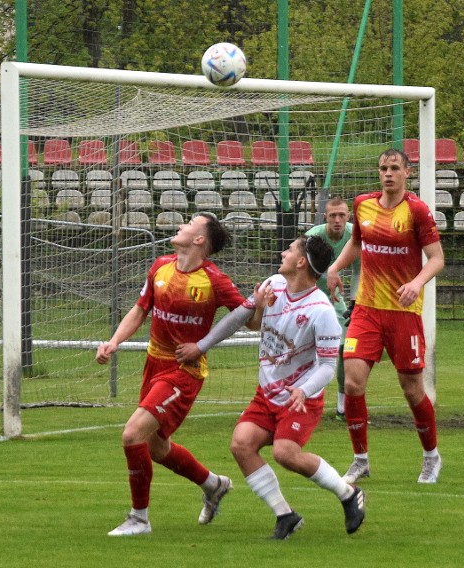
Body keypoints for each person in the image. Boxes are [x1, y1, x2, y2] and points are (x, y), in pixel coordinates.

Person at [176, 235, 366, 540]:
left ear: (301, 262)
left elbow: (329, 367)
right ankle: (285, 515)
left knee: (285, 453)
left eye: (289, 250)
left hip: (300, 399)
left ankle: (348, 493)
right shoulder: (274, 284)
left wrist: (303, 390)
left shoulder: (322, 311)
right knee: (241, 444)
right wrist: (201, 346)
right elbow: (240, 317)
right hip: (267, 393)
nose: (283, 252)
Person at [96, 213, 250, 536]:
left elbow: (248, 319)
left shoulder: (214, 280)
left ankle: (139, 519)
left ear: (199, 240)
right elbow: (140, 310)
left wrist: (206, 342)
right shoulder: (160, 266)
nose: (182, 223)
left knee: (131, 434)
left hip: (184, 372)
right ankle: (214, 485)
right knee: (155, 448)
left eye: (191, 221)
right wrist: (113, 342)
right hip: (154, 364)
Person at [326, 148, 445, 485]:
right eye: (383, 168)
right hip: (366, 308)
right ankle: (360, 459)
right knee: (352, 381)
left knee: (411, 389)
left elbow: (437, 258)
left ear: (408, 172)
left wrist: (416, 282)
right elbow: (357, 244)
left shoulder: (417, 211)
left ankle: (431, 456)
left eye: (395, 168)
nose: (388, 173)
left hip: (403, 312)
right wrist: (335, 268)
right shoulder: (363, 204)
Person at [305, 196, 361, 421]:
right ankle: (299, 398)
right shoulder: (312, 237)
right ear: (325, 217)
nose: (338, 220)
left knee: (344, 348)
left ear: (349, 216)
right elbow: (301, 272)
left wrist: (355, 301)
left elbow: (360, 269)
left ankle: (342, 404)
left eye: (342, 215)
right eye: (333, 215)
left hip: (334, 296)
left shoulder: (354, 235)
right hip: (310, 294)